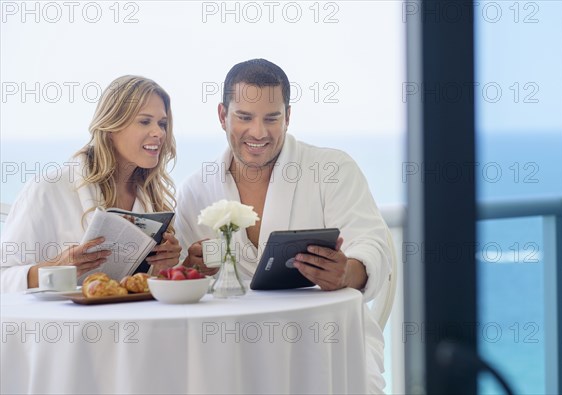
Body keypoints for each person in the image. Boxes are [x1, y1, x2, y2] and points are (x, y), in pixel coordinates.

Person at [175, 59, 393, 393]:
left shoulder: (332, 168)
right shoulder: (197, 189)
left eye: (272, 118)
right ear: (222, 115)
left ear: (288, 117)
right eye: (244, 117)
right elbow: (180, 275)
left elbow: (373, 246)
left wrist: (345, 272)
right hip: (234, 349)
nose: (258, 132)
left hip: (325, 338)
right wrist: (192, 269)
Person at [1, 75, 182, 293]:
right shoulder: (49, 189)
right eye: (145, 121)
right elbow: (4, 277)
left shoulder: (154, 200)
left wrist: (164, 267)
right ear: (111, 126)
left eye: (162, 124)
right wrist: (57, 268)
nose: (159, 133)